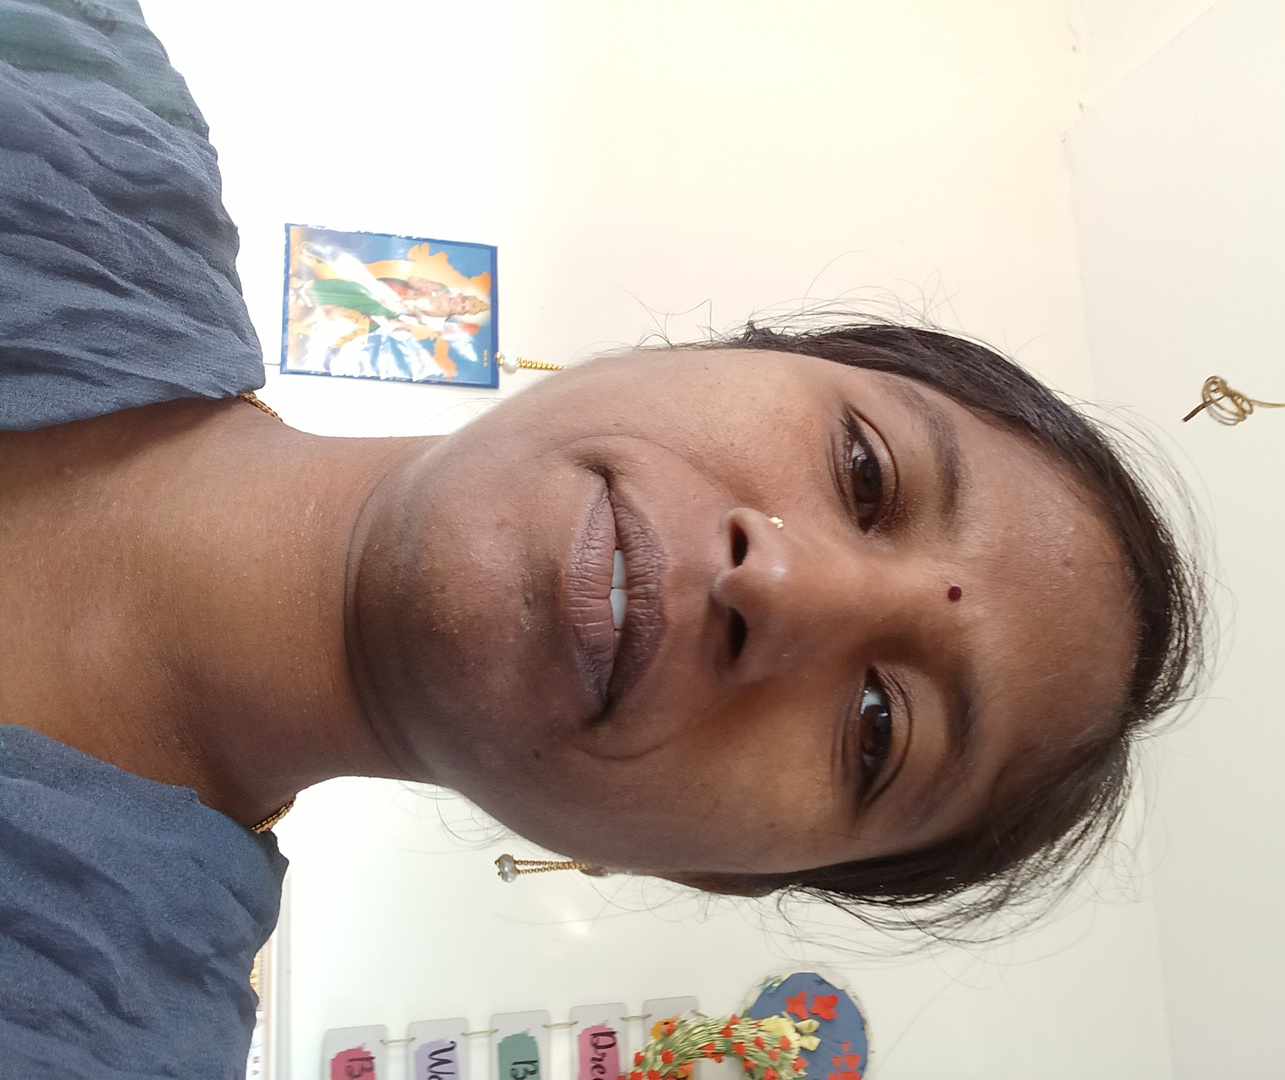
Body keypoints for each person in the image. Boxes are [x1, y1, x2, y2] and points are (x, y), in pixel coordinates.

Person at [0, 1, 1206, 1077]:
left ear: (712, 872)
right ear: (719, 351)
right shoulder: (67, 89)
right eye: (864, 471)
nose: (784, 585)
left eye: (879, 727)